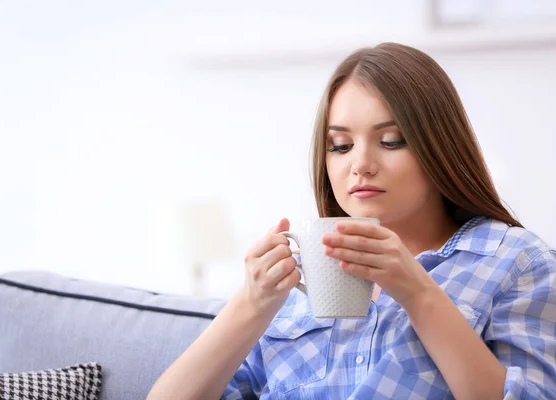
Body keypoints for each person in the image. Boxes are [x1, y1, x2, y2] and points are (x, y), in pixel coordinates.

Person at [147, 42, 556, 399]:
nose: (360, 164)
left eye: (391, 141)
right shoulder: (296, 286)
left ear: (440, 147)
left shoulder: (514, 261)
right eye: (340, 146)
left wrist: (417, 292)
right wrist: (251, 305)